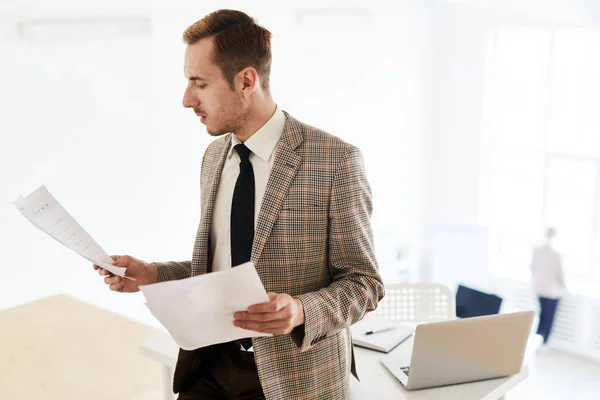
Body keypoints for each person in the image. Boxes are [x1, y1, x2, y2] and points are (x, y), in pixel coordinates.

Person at [93, 9, 384, 400]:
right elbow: (221, 270)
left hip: (293, 381)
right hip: (208, 367)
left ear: (246, 80)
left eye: (200, 83)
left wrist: (300, 310)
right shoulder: (215, 156)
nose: (186, 99)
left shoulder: (335, 160)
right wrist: (152, 274)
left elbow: (364, 284)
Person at [530, 227, 566, 345]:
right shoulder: (556, 254)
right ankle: (543, 342)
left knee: (542, 316)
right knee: (548, 318)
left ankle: (538, 340)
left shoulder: (537, 251)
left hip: (540, 288)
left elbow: (532, 268)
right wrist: (564, 287)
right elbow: (560, 275)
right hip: (552, 291)